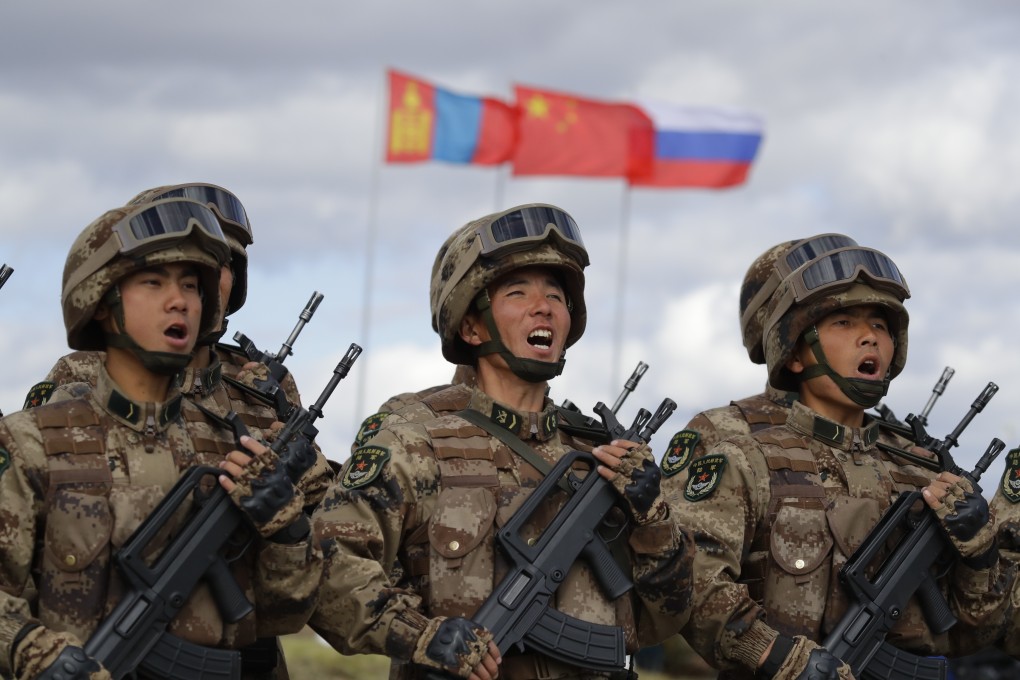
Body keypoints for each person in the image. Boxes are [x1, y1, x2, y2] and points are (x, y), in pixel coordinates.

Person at [310, 203, 694, 680]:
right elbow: (328, 567)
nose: (544, 307)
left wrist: (653, 519)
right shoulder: (414, 439)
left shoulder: (598, 455)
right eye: (518, 292)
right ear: (471, 326)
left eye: (556, 295)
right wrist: (419, 636)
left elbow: (664, 618)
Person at [0, 198, 319, 680]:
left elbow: (285, 616)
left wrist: (286, 529)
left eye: (191, 285)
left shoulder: (227, 445)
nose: (180, 301)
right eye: (153, 282)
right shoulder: (33, 443)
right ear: (101, 302)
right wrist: (33, 651)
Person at [670, 243, 1011, 680]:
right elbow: (691, 582)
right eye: (844, 322)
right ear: (794, 351)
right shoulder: (734, 443)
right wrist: (780, 658)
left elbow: (974, 632)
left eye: (879, 325)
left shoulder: (919, 467)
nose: (869, 336)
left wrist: (980, 554)